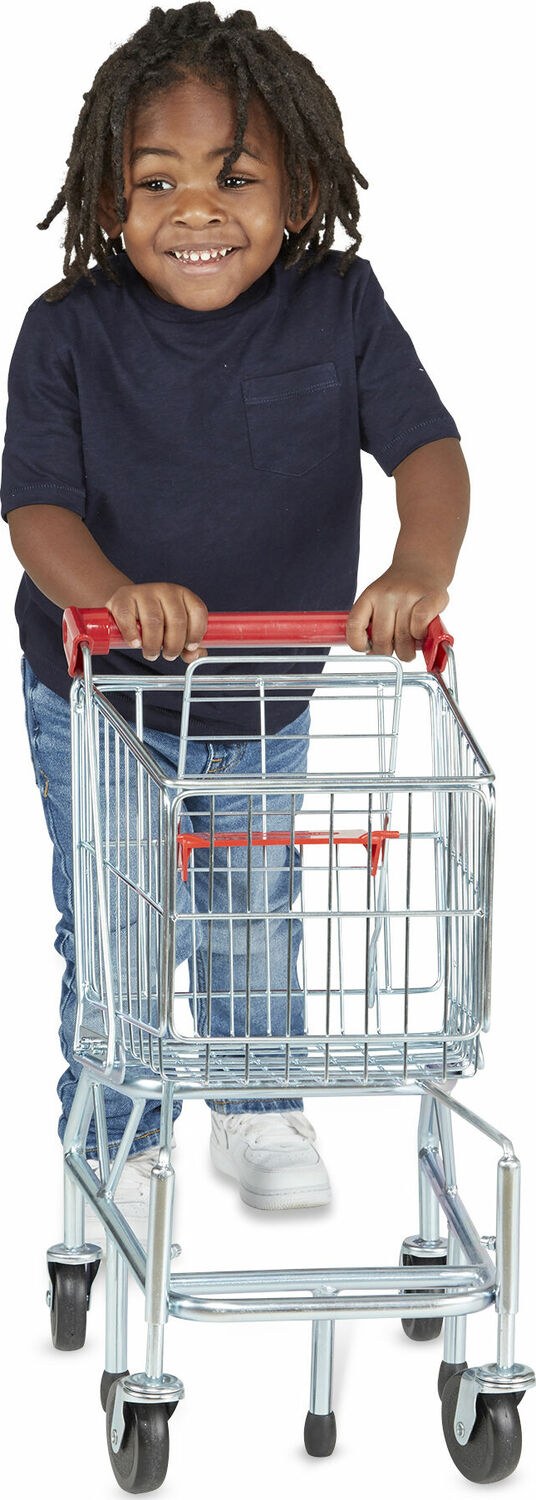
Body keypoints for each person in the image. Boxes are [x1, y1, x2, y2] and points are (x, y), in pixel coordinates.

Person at [0, 3, 469, 1233]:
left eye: (234, 176)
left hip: (263, 698)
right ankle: (118, 1132)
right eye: (155, 181)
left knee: (250, 906)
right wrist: (112, 598)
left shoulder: (340, 306)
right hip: (98, 698)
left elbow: (424, 449)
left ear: (300, 189)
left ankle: (261, 1105)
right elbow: (35, 509)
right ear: (109, 200)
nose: (194, 210)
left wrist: (414, 569)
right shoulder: (66, 333)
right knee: (113, 919)